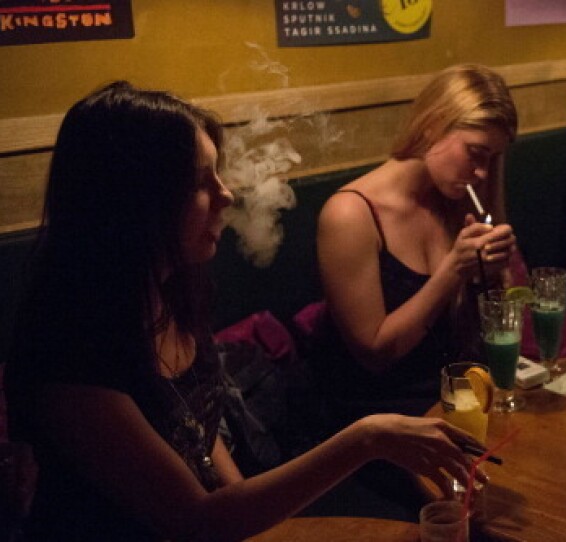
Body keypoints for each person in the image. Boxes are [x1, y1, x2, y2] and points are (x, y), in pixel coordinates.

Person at [4, 81, 485, 541]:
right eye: (199, 181)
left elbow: (203, 444)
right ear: (134, 200)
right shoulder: (67, 349)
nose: (227, 194)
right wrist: (366, 438)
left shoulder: (170, 295)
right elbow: (194, 519)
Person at [315, 64, 519, 431]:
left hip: (462, 396)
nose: (483, 172)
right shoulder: (350, 214)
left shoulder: (458, 202)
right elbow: (375, 355)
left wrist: (496, 270)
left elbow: (493, 323)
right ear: (433, 124)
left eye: (492, 158)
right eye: (476, 152)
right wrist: (453, 271)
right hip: (381, 416)